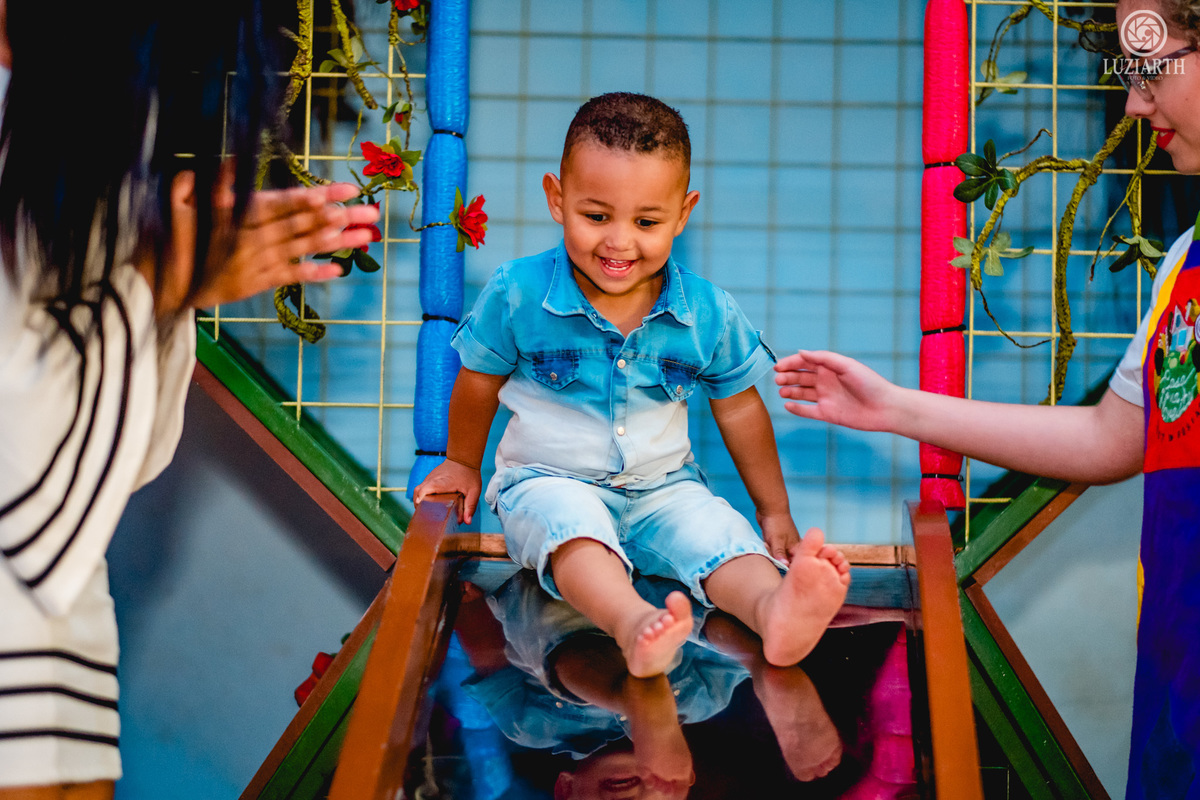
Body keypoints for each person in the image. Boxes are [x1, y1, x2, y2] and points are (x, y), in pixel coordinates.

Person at [774, 1, 1200, 795]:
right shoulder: (1184, 261)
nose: (1134, 103)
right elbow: (1113, 438)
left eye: (1150, 69)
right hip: (1177, 680)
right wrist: (892, 408)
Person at [0, 3, 380, 798]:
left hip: (64, 592)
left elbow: (123, 459)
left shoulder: (91, 118)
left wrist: (169, 290)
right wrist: (159, 285)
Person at [414, 92, 850, 680]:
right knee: (571, 530)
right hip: (548, 482)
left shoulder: (706, 310)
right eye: (597, 217)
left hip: (665, 488)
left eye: (646, 222)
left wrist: (774, 511)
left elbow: (741, 411)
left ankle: (774, 611)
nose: (619, 242)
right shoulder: (517, 292)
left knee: (719, 535)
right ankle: (634, 623)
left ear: (683, 213)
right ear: (557, 199)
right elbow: (477, 382)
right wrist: (462, 462)